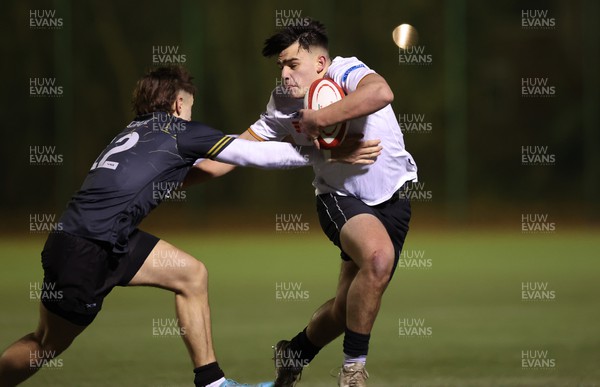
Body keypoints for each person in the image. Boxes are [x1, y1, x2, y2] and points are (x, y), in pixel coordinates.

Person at [0, 66, 379, 387]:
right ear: (178, 102)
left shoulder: (136, 131)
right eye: (190, 104)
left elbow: (187, 172)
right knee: (46, 345)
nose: (190, 110)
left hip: (88, 237)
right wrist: (329, 151)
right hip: (90, 250)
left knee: (191, 274)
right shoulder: (178, 131)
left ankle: (212, 381)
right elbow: (255, 155)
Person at [189, 20, 418, 387]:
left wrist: (318, 120)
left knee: (347, 309)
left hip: (393, 197)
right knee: (379, 259)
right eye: (280, 65)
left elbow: (381, 93)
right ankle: (353, 371)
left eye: (292, 64)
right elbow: (238, 150)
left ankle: (294, 352)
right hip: (339, 199)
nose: (284, 74)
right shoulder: (282, 103)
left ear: (321, 63)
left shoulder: (347, 71)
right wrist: (179, 178)